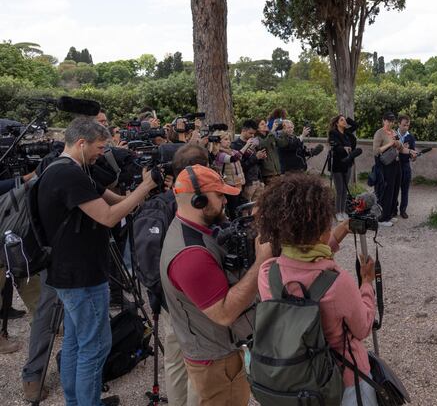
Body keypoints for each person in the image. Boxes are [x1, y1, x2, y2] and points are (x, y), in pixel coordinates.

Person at [34, 117, 157, 405]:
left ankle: (77, 401)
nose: (102, 153)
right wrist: (146, 186)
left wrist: (142, 188)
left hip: (73, 272)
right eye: (99, 147)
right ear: (81, 143)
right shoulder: (69, 175)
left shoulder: (70, 169)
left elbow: (115, 200)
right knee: (95, 347)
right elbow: (108, 216)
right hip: (81, 275)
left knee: (77, 343)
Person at [255, 174, 378, 406]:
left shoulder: (268, 273)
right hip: (343, 379)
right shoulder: (336, 282)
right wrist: (367, 284)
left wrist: (343, 228)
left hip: (293, 378)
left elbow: (303, 256)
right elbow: (362, 328)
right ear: (321, 230)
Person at [160, 165, 270, 406]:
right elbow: (224, 313)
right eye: (219, 195)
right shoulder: (190, 255)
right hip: (216, 360)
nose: (225, 200)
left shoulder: (195, 227)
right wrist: (261, 261)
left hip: (215, 349)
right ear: (198, 200)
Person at [133, 143, 210, 406]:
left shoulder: (161, 205)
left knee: (176, 361)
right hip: (189, 303)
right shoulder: (182, 206)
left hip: (171, 302)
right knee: (197, 362)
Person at [328, 115, 360, 221]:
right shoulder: (333, 133)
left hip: (348, 163)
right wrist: (343, 148)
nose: (344, 121)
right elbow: (334, 146)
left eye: (345, 120)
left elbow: (356, 125)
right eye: (342, 120)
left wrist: (348, 119)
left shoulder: (347, 132)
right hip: (338, 164)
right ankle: (337, 212)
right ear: (337, 123)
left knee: (345, 190)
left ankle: (343, 211)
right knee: (339, 190)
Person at [373, 112, 402, 227]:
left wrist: (397, 144)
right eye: (389, 120)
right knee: (386, 191)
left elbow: (399, 146)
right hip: (385, 165)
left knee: (394, 190)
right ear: (384, 120)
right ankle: (382, 218)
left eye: (392, 121)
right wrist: (390, 144)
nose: (391, 123)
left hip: (396, 164)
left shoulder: (394, 132)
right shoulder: (379, 133)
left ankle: (389, 214)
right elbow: (376, 151)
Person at [209, 130, 245, 218]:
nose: (228, 141)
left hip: (237, 183)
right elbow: (234, 158)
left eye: (229, 139)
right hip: (228, 184)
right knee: (233, 209)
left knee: (239, 207)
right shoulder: (219, 154)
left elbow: (242, 154)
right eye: (225, 139)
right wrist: (247, 145)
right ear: (219, 141)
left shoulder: (231, 150)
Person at [231, 119, 267, 203]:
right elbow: (240, 166)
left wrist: (261, 157)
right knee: (246, 208)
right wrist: (256, 158)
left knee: (258, 206)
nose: (252, 136)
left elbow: (257, 163)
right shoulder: (235, 145)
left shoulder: (253, 144)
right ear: (243, 130)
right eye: (250, 133)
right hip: (247, 182)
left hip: (258, 180)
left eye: (254, 134)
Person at [393, 115, 418, 220]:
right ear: (399, 124)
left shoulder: (410, 137)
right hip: (394, 165)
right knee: (394, 189)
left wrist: (414, 157)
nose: (406, 127)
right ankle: (393, 209)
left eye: (408, 125)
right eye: (404, 125)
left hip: (405, 165)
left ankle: (403, 210)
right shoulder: (393, 135)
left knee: (405, 189)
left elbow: (412, 155)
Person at [256, 118, 288, 184]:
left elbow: (283, 144)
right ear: (257, 128)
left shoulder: (271, 135)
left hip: (277, 171)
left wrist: (284, 131)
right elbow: (264, 144)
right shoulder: (256, 138)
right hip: (267, 173)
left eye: (265, 123)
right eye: (262, 124)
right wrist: (272, 130)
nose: (265, 125)